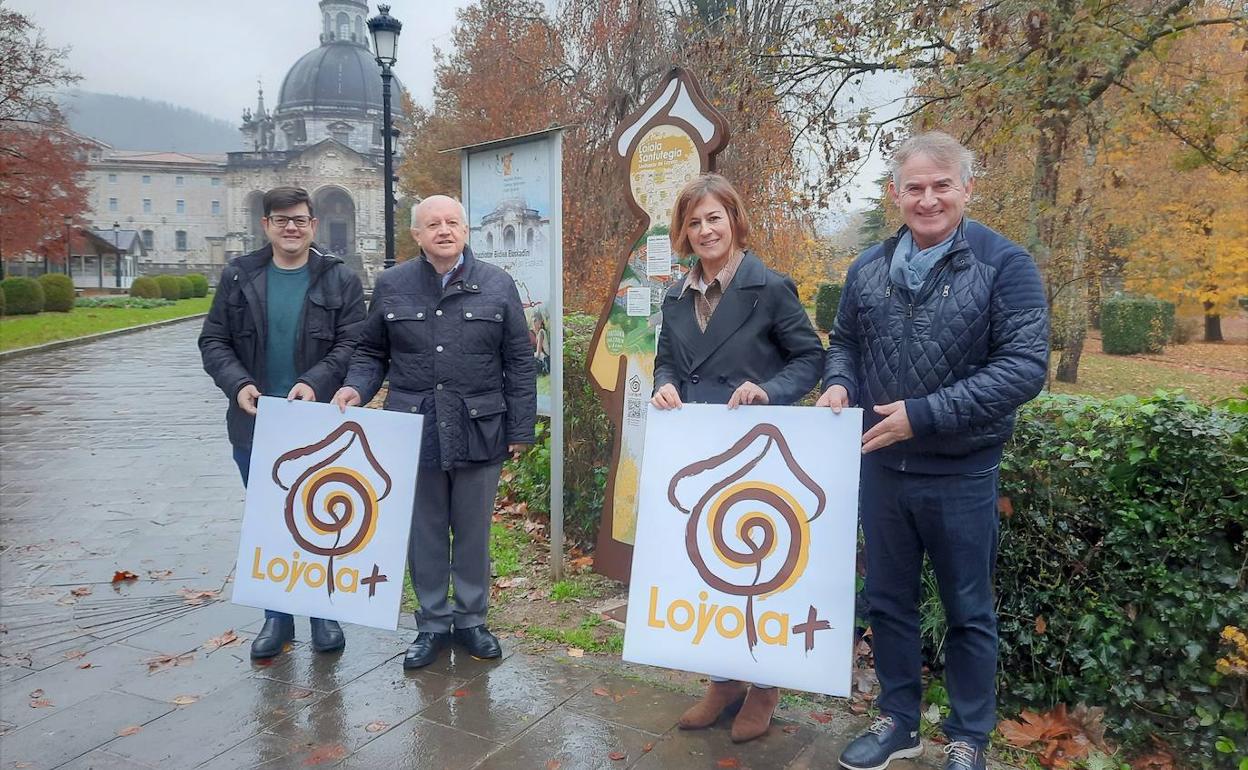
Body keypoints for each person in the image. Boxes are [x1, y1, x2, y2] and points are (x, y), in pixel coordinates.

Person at [818, 131, 1049, 770]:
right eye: (914, 187)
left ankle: (969, 736)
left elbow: (1024, 368)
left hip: (962, 472)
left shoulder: (1007, 266)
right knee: (889, 602)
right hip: (881, 470)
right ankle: (899, 722)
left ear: (967, 189)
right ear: (896, 194)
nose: (927, 199)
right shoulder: (865, 268)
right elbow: (844, 343)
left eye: (941, 185)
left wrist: (922, 416)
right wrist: (838, 382)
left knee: (967, 610)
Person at [650, 173, 824, 743]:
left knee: (756, 570)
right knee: (708, 571)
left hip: (755, 453)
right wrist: (666, 385)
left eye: (713, 218)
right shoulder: (676, 295)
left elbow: (810, 360)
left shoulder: (770, 286)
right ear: (683, 231)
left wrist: (767, 390)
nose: (704, 230)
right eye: (694, 222)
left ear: (734, 219)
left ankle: (765, 686)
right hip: (697, 449)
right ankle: (723, 683)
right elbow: (667, 362)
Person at [332, 195, 536, 670]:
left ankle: (471, 621)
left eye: (452, 222)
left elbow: (519, 362)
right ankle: (431, 624)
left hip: (480, 426)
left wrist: (520, 428)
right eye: (432, 224)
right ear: (417, 235)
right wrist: (354, 390)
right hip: (414, 427)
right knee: (423, 532)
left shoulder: (497, 284)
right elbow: (370, 353)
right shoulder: (392, 285)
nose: (444, 230)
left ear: (466, 231)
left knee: (472, 533)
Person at [199, 185, 366, 660]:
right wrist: (237, 384)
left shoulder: (339, 280)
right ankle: (277, 619)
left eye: (299, 219)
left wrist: (316, 382)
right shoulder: (239, 276)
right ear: (266, 225)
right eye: (280, 219)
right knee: (269, 521)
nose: (290, 226)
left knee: (319, 516)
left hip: (318, 424)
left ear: (313, 225)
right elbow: (214, 341)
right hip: (255, 423)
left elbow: (351, 344)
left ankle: (323, 613)